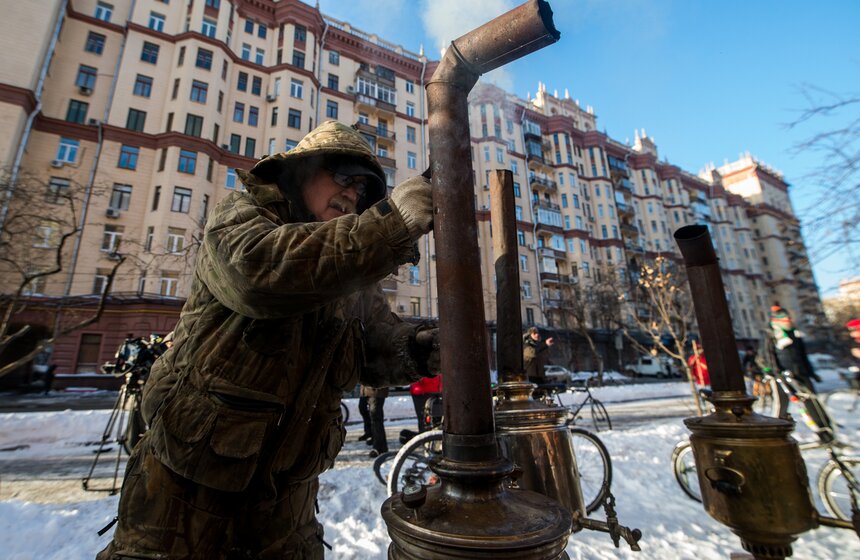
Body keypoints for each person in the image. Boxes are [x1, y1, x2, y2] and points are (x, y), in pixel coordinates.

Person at [96, 120, 439, 560]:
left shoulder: (352, 272)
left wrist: (417, 347)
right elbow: (256, 275)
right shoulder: (242, 216)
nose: (353, 194)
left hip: (288, 505)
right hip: (186, 493)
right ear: (299, 173)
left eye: (362, 189)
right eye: (344, 177)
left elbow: (374, 344)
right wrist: (392, 224)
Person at [770, 303, 821, 391]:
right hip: (784, 375)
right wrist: (775, 371)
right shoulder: (771, 334)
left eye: (788, 317)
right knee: (789, 397)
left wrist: (811, 373)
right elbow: (768, 354)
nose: (787, 319)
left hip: (802, 372)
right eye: (783, 317)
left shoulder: (795, 333)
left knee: (810, 396)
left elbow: (803, 355)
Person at [359, 384, 389, 457]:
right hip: (365, 389)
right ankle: (370, 434)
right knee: (362, 408)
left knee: (376, 416)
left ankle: (380, 447)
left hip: (377, 389)